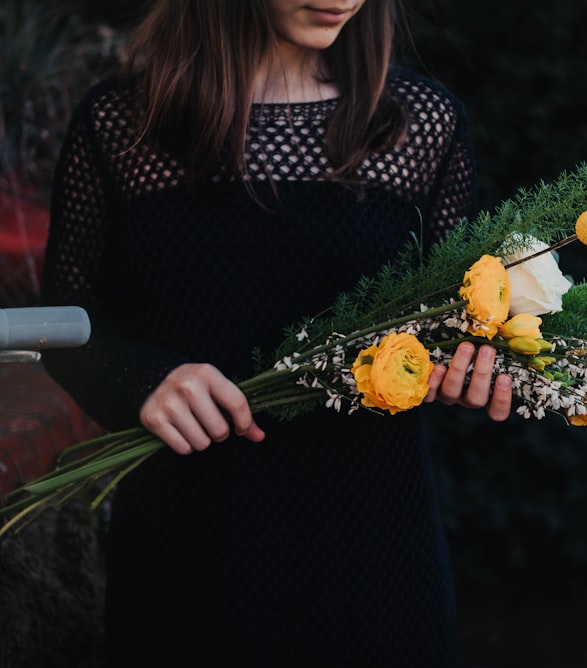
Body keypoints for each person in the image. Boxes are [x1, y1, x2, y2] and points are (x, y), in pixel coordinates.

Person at [41, 1, 513, 665]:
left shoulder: (419, 125)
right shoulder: (123, 123)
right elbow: (67, 317)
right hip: (184, 555)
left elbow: (461, 319)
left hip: (371, 560)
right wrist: (139, 378)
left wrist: (480, 366)